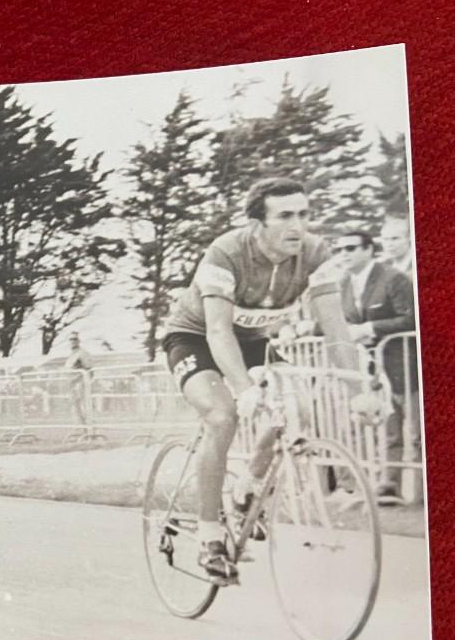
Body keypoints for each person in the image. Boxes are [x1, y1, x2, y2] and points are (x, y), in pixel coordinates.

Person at [161, 177, 359, 582]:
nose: (298, 226)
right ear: (257, 223)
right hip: (195, 338)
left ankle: (249, 487)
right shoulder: (227, 252)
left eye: (304, 214)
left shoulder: (315, 254)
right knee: (222, 416)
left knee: (298, 406)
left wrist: (357, 391)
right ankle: (209, 536)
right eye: (285, 216)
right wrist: (245, 387)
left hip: (253, 340)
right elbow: (217, 331)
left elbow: (337, 330)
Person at [335, 229, 418, 503]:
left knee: (418, 431)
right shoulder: (345, 283)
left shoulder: (393, 278)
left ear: (369, 249)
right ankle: (389, 485)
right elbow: (342, 321)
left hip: (407, 363)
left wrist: (370, 327)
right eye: (340, 249)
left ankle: (424, 496)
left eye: (351, 248)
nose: (344, 254)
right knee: (390, 429)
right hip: (375, 370)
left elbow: (412, 319)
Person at [64, 332, 93, 426]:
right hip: (71, 384)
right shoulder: (71, 355)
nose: (73, 341)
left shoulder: (82, 353)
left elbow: (89, 369)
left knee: (84, 406)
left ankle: (89, 428)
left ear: (79, 341)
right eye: (71, 339)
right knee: (75, 407)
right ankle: (81, 428)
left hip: (80, 384)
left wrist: (85, 382)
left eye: (75, 339)